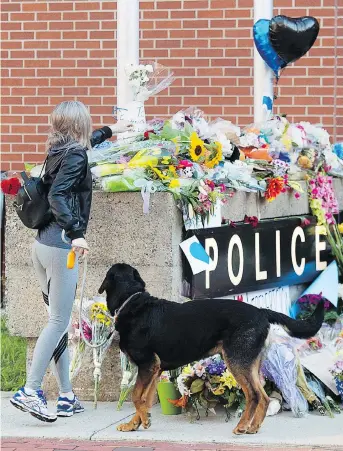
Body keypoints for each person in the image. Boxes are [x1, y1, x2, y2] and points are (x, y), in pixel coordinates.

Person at [10, 101, 133, 422]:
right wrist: (76, 232)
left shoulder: (60, 150)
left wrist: (112, 131)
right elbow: (58, 195)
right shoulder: (76, 155)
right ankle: (30, 391)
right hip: (61, 248)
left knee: (58, 321)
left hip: (41, 246)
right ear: (82, 123)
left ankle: (65, 395)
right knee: (58, 323)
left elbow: (83, 147)